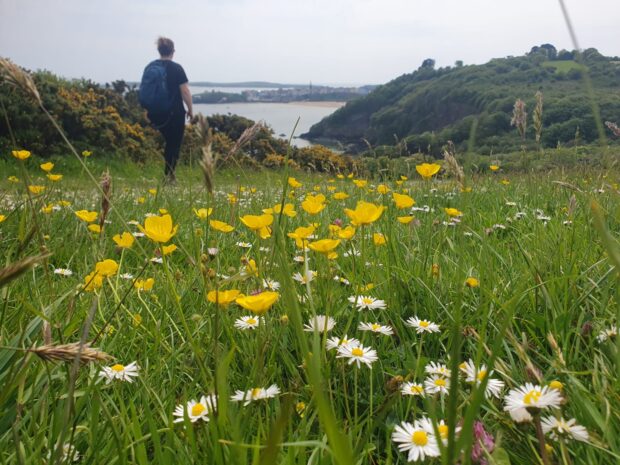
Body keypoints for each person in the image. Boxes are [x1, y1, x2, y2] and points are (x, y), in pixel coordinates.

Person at [145, 37, 193, 184]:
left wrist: (147, 111)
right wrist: (190, 110)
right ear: (173, 51)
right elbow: (185, 91)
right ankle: (169, 176)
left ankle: (169, 175)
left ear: (159, 51)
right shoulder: (177, 68)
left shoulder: (150, 67)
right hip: (175, 113)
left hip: (156, 114)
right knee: (174, 144)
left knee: (168, 143)